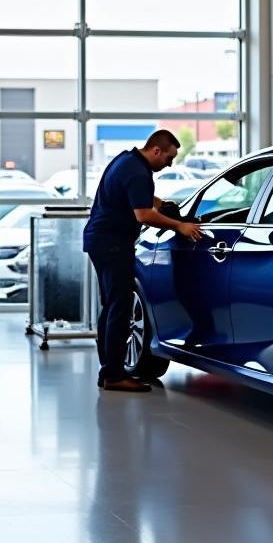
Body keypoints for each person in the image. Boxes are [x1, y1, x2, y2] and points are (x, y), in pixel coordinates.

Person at [84, 129, 203, 394]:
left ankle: (108, 371)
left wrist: (164, 205)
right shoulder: (139, 172)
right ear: (156, 150)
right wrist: (179, 226)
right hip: (112, 244)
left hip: (100, 241)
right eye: (169, 158)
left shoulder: (126, 161)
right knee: (120, 307)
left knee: (112, 305)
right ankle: (114, 375)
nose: (170, 164)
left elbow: (140, 197)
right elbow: (143, 215)